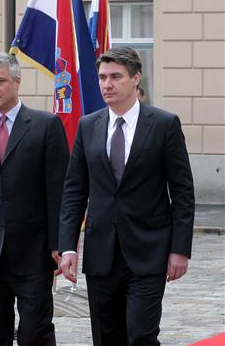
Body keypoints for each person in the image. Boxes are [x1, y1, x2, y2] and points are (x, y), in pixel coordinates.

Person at [59, 47, 195, 346]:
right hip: (101, 253)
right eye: (102, 77)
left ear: (136, 79)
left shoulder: (163, 124)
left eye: (116, 77)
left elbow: (183, 191)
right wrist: (68, 245)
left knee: (141, 336)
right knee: (107, 337)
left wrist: (180, 248)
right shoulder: (88, 125)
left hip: (149, 250)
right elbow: (74, 190)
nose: (107, 84)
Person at [0, 52, 69, 346]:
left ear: (17, 82)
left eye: (0, 81)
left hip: (34, 252)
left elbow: (59, 192)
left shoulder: (45, 126)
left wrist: (61, 244)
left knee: (35, 332)